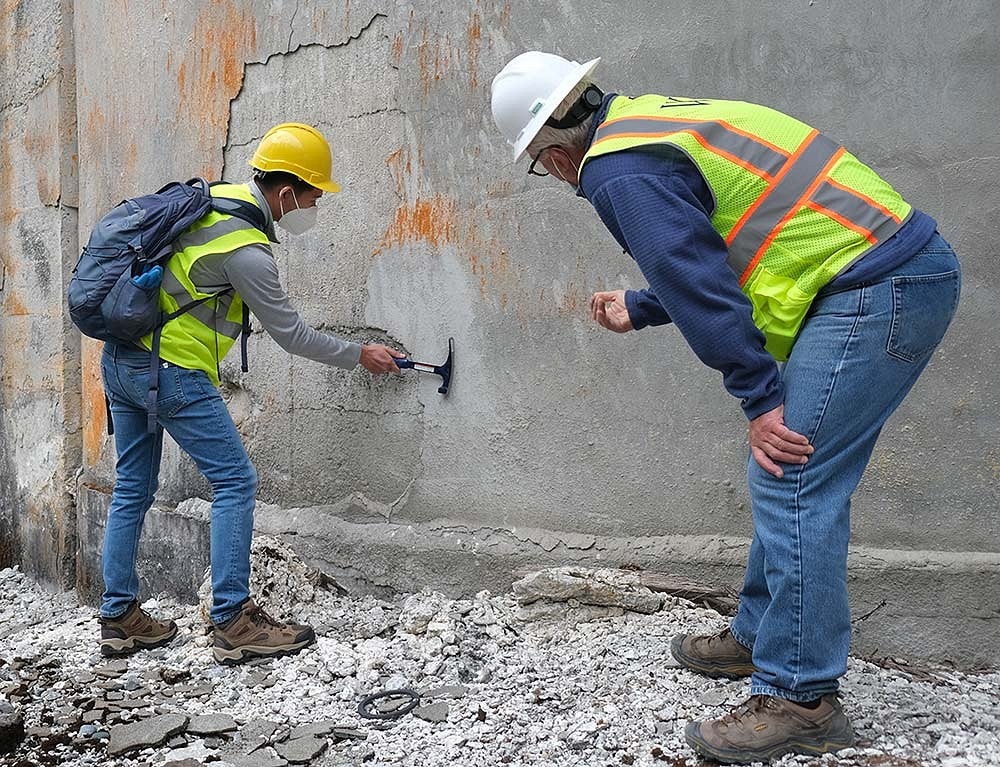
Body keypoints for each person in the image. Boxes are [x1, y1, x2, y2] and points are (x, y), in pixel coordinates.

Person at [490, 52, 961, 762]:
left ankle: (801, 696)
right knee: (784, 473)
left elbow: (694, 273)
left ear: (552, 157)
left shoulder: (617, 172)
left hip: (878, 285)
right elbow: (729, 242)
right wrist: (645, 306)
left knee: (790, 474)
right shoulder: (646, 126)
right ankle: (758, 634)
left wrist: (758, 396)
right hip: (887, 273)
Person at [98, 123, 404, 665]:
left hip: (121, 359)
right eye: (313, 195)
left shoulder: (210, 199)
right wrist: (361, 353)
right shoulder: (249, 251)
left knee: (132, 488)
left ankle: (119, 618)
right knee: (236, 479)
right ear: (287, 192)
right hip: (172, 370)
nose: (313, 206)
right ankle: (233, 620)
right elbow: (292, 335)